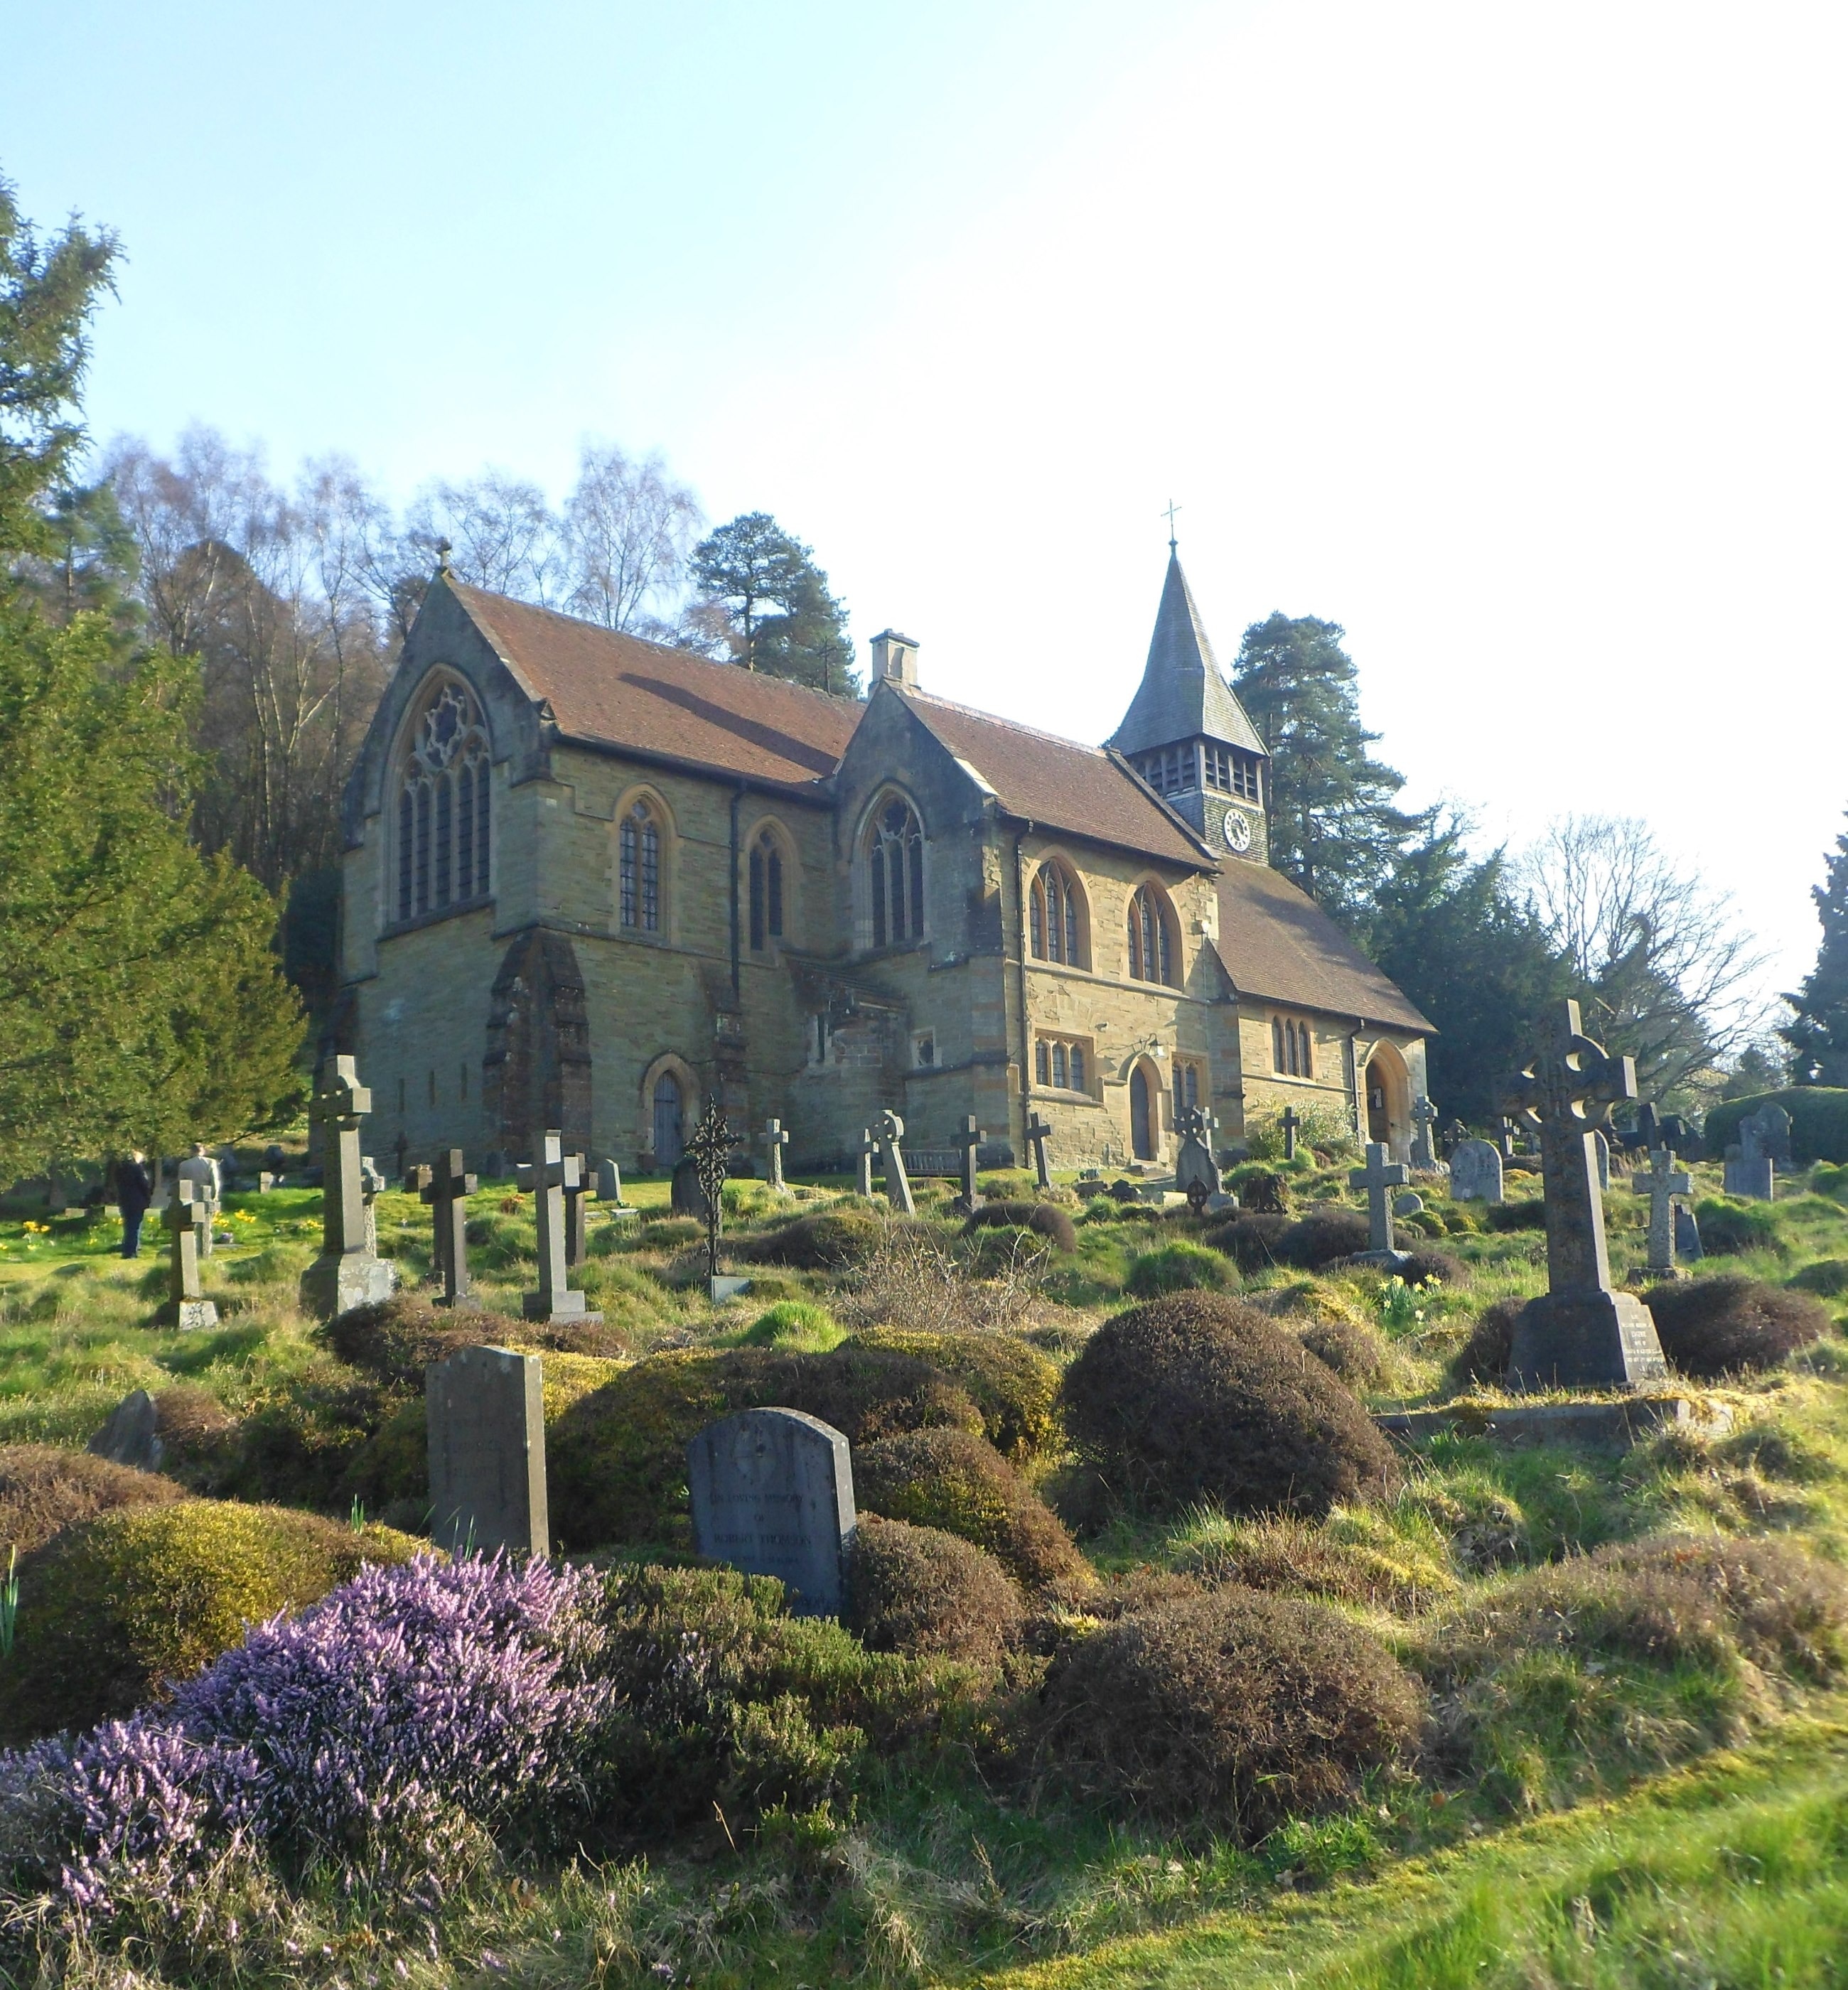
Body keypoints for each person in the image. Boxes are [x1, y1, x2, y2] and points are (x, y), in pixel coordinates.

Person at [115, 1151, 152, 1259]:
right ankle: (132, 1252)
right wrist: (148, 1198)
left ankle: (127, 1250)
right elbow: (144, 1185)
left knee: (128, 1226)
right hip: (137, 1200)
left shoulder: (121, 1169)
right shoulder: (137, 1168)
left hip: (124, 1200)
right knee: (135, 1226)